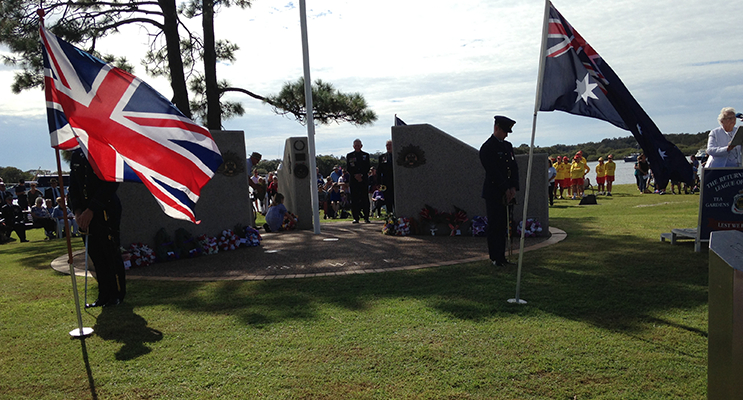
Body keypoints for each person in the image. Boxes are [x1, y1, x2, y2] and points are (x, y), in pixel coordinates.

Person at [68, 149, 126, 308]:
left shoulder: (104, 149)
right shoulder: (77, 155)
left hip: (104, 211)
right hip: (84, 215)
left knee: (110, 253)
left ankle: (116, 294)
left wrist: (91, 209)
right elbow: (73, 186)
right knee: (96, 255)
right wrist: (78, 210)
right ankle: (103, 295)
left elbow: (111, 182)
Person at [479, 115, 519, 267]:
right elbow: (493, 171)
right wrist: (505, 188)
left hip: (508, 191)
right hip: (494, 192)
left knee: (504, 225)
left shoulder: (507, 146)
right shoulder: (487, 147)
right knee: (495, 225)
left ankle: (503, 257)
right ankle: (495, 257)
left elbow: (513, 167)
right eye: (504, 131)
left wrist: (513, 187)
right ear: (496, 128)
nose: (506, 135)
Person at [346, 139, 371, 223]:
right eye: (355, 145)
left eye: (358, 145)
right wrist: (355, 175)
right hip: (354, 180)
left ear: (361, 146)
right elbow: (349, 168)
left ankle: (366, 217)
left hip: (363, 180)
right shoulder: (349, 156)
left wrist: (361, 175)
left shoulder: (366, 155)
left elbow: (367, 167)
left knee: (365, 198)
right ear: (353, 146)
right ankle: (356, 217)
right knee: (354, 199)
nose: (357, 147)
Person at [377, 140, 395, 214]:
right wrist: (378, 183)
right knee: (388, 200)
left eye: (390, 145)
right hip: (386, 183)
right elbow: (379, 171)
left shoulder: (397, 156)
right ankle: (390, 216)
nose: (388, 147)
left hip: (396, 182)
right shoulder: (382, 157)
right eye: (387, 145)